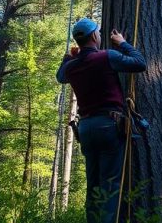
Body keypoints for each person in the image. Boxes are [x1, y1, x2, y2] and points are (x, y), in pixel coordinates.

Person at [56, 18, 146, 223]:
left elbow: (60, 77)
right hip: (109, 126)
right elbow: (140, 63)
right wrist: (122, 42)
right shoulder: (107, 56)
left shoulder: (71, 67)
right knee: (110, 186)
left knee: (94, 187)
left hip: (86, 128)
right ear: (95, 36)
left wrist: (69, 58)